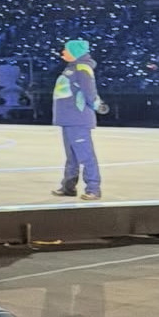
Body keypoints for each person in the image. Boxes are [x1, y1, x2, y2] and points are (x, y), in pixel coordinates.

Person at [50, 38, 106, 201]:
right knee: (72, 157)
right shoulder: (71, 68)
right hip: (68, 119)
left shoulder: (82, 68)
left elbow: (90, 92)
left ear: (75, 52)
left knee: (85, 155)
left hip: (78, 118)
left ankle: (93, 188)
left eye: (66, 49)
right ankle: (68, 187)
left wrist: (98, 105)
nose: (63, 52)